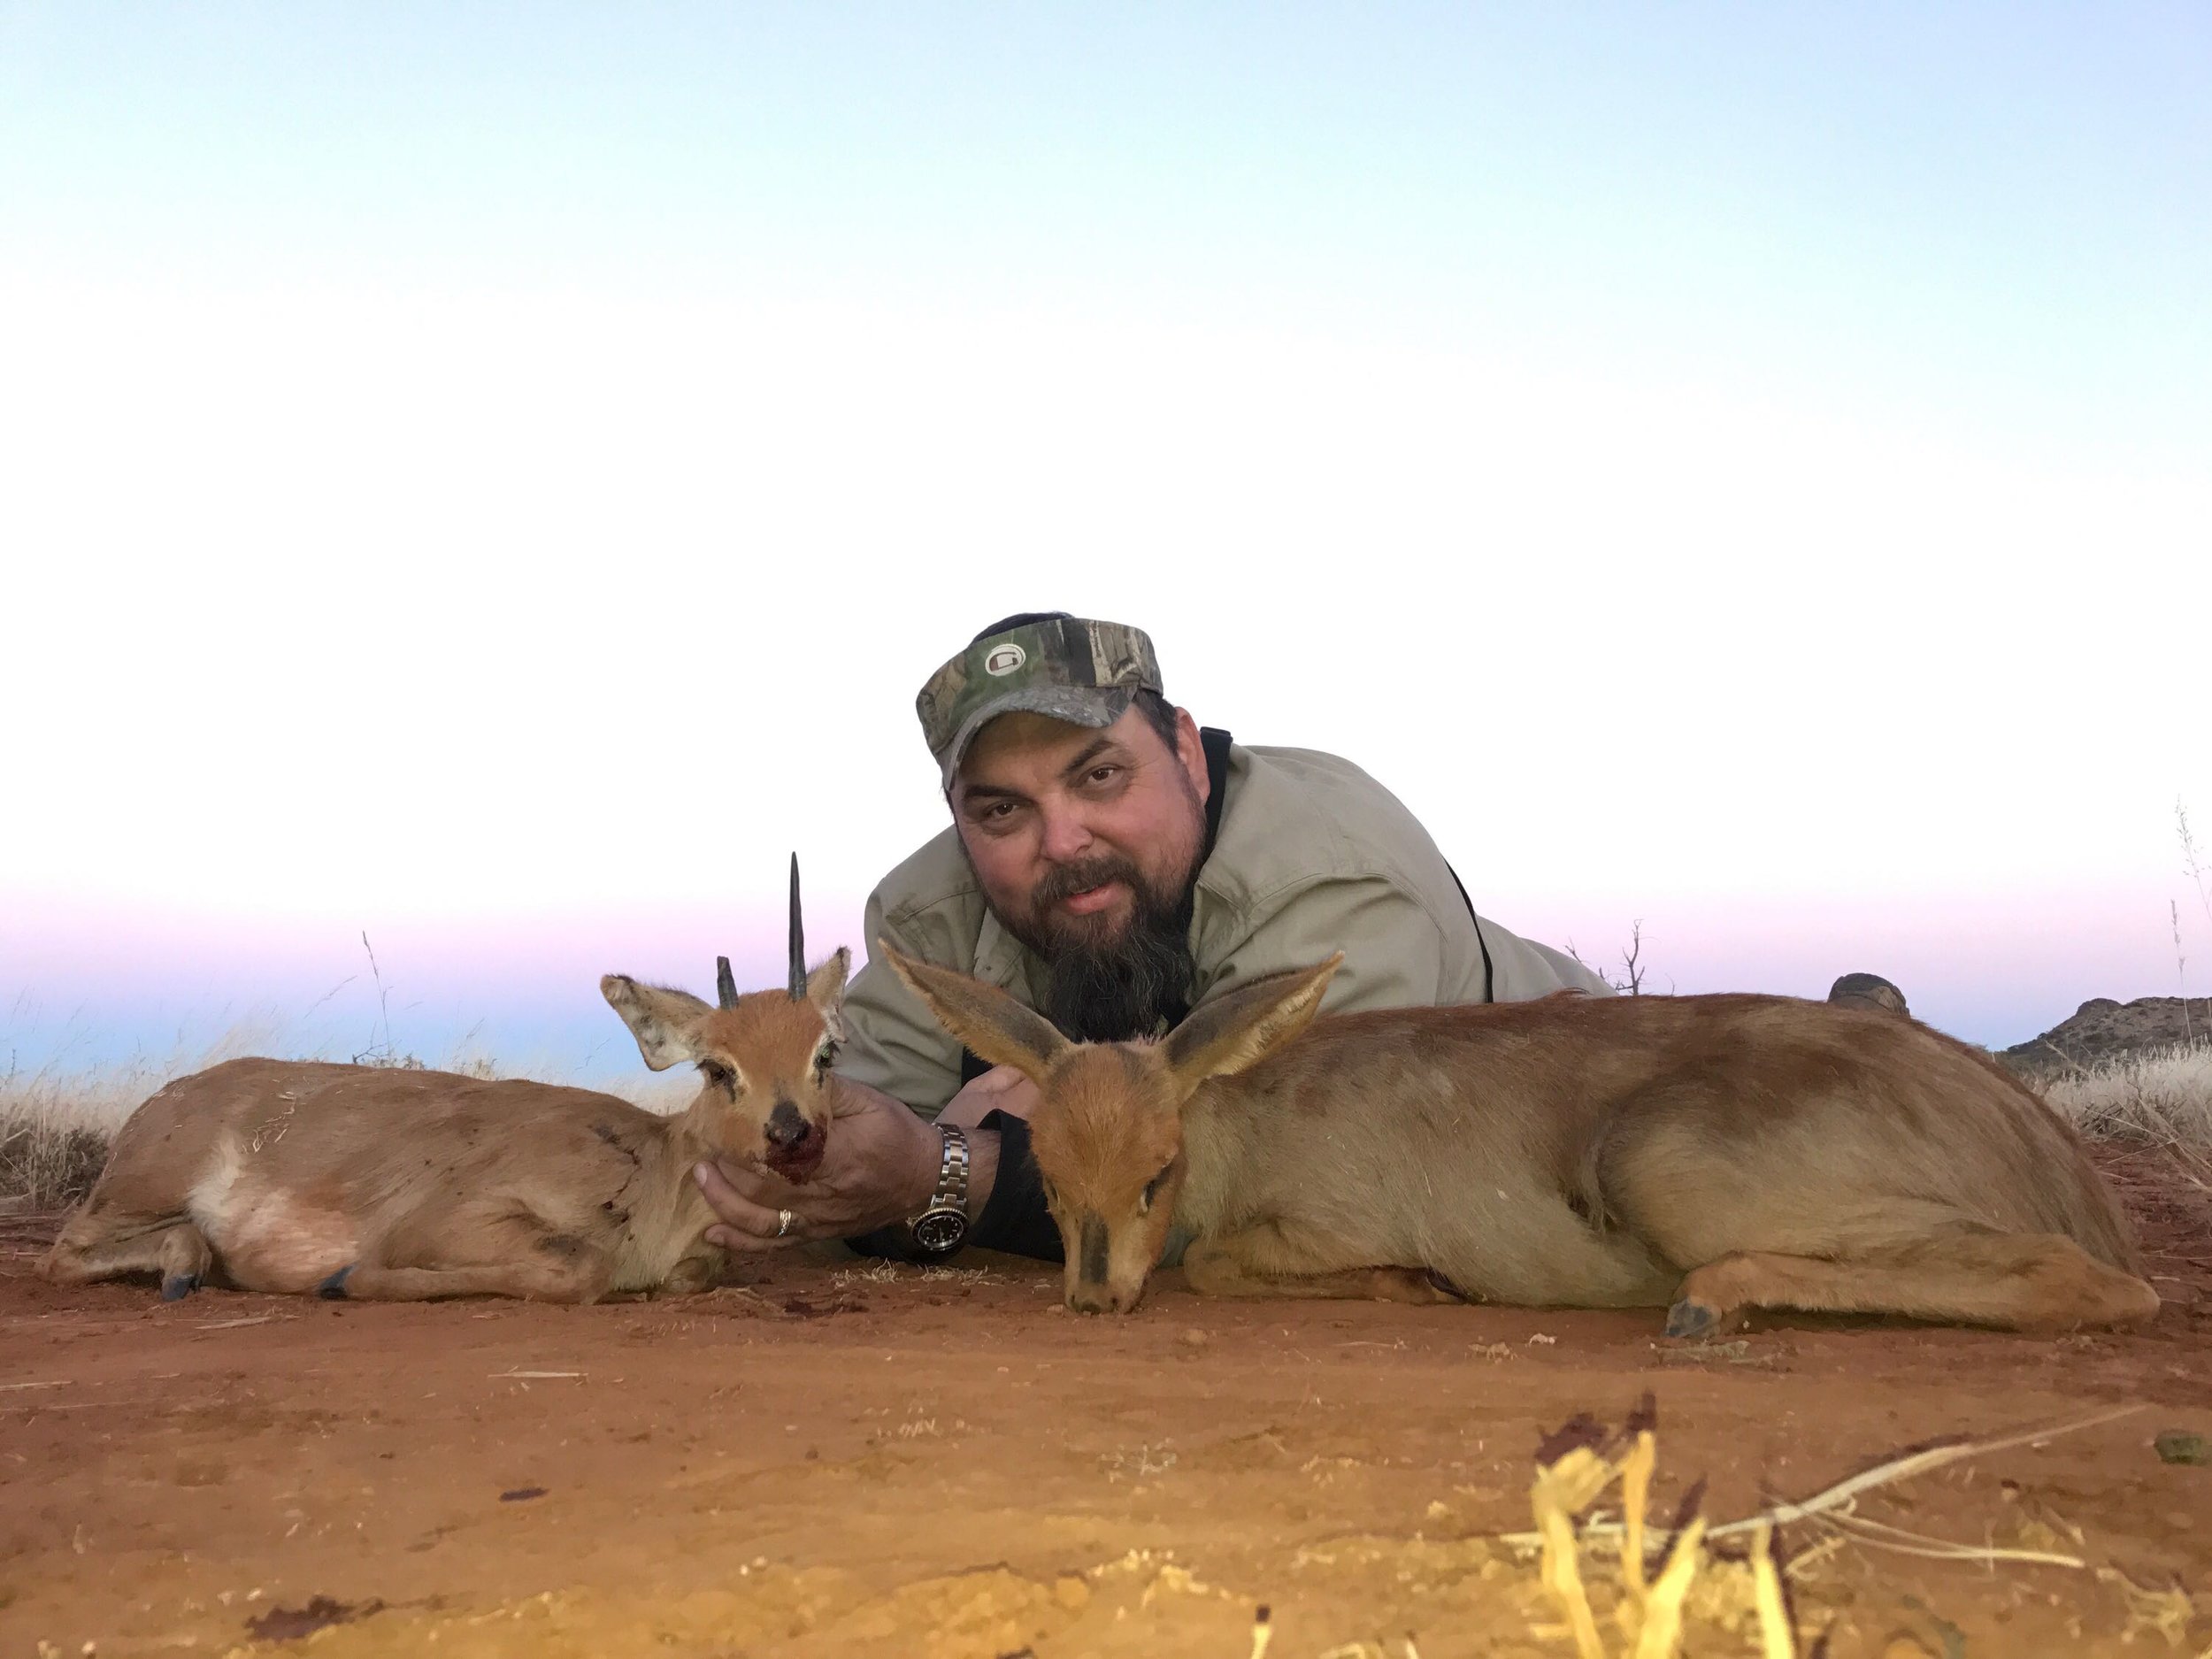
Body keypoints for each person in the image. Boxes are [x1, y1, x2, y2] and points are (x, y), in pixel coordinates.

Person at [691, 612, 1612, 1263]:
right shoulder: (925, 911)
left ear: (1184, 751)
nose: (1062, 843)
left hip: (1576, 1146)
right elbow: (855, 1146)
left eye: (1098, 777)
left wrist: (959, 1170)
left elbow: (1289, 1198)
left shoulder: (1328, 875)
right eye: (1002, 808)